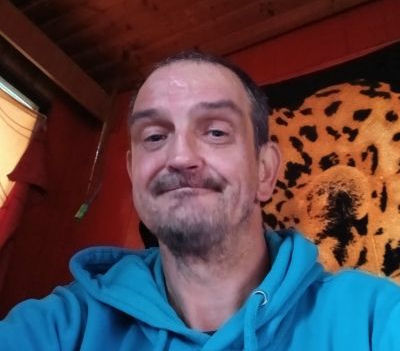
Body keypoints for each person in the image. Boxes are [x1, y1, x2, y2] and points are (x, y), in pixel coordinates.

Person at [0, 50, 399, 350]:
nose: (180, 157)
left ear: (264, 171)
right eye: (155, 136)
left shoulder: (372, 319)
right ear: (133, 174)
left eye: (216, 132)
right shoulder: (62, 327)